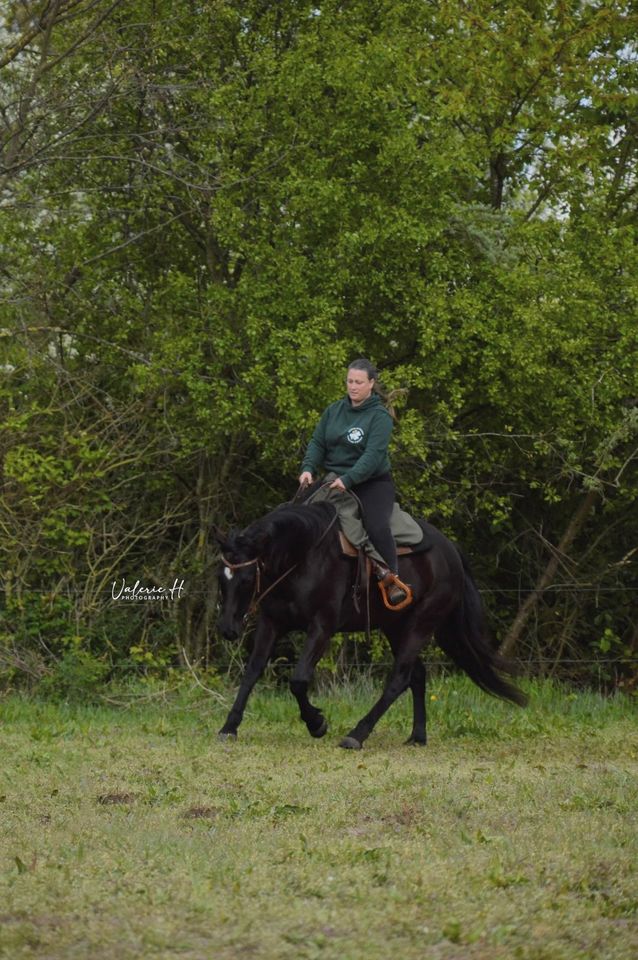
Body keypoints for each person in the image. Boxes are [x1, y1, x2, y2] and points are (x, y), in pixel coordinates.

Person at [298, 358, 409, 607]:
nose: (353, 386)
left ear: (371, 384)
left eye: (359, 382)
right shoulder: (334, 410)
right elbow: (317, 443)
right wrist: (307, 469)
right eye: (350, 381)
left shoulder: (379, 417)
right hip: (334, 479)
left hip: (371, 483)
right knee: (297, 514)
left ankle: (392, 577)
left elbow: (372, 457)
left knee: (377, 525)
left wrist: (348, 480)